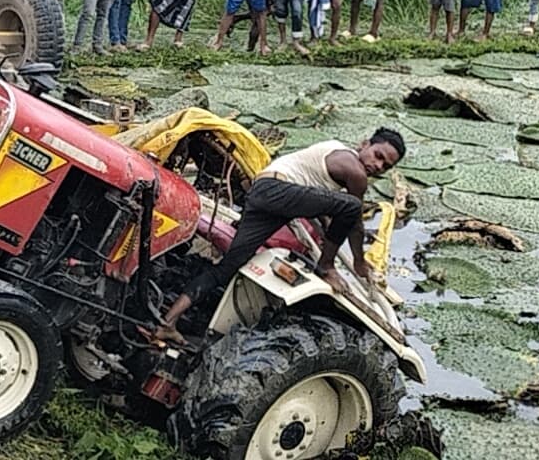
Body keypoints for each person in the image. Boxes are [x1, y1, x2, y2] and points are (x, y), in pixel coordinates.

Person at [149, 129, 406, 344]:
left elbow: (320, 200)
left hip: (265, 194)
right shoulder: (356, 172)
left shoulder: (334, 150)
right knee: (350, 207)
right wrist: (359, 262)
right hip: (277, 191)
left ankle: (167, 323)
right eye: (378, 155)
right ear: (364, 144)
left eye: (386, 166)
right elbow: (355, 223)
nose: (378, 166)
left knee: (226, 268)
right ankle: (326, 267)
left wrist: (330, 227)